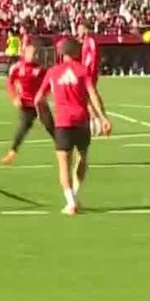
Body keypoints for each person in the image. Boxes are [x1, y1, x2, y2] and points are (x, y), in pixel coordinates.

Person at [35, 38, 112, 215]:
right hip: (82, 122)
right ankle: (76, 194)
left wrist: (43, 116)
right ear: (75, 52)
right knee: (82, 158)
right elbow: (93, 95)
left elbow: (38, 99)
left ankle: (71, 203)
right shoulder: (82, 70)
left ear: (61, 53)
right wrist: (103, 118)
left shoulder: (53, 72)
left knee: (64, 164)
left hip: (63, 122)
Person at [0, 39, 54, 165]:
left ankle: (65, 150)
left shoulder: (41, 69)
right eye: (30, 52)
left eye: (35, 53)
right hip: (26, 104)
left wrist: (43, 95)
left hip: (39, 104)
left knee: (51, 128)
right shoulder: (17, 67)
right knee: (22, 128)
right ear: (25, 53)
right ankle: (12, 152)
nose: (33, 55)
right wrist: (14, 97)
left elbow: (49, 84)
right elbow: (10, 83)